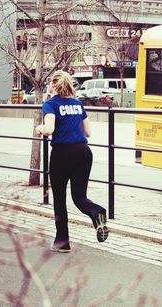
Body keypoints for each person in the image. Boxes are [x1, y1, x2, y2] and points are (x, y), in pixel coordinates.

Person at [36, 70, 109, 253]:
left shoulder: (50, 105)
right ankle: (97, 212)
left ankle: (62, 242)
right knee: (79, 197)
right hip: (83, 153)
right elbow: (88, 133)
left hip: (62, 154)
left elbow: (49, 129)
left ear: (53, 85)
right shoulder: (78, 104)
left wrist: (40, 128)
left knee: (60, 199)